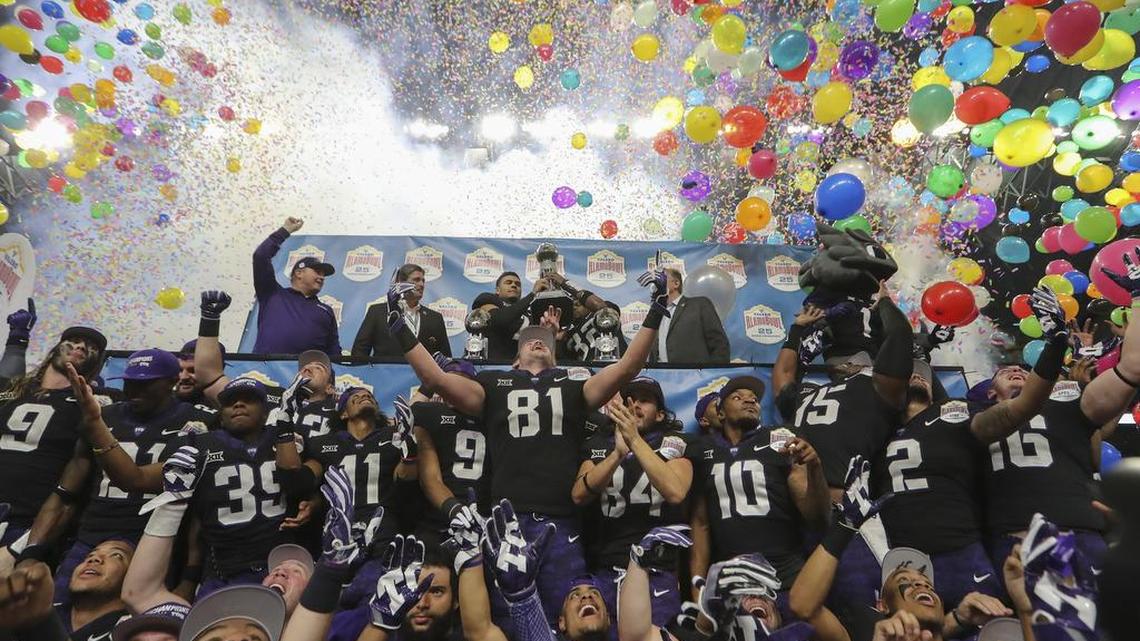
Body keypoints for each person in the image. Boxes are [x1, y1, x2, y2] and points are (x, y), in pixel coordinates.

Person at [393, 261, 670, 622]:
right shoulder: (493, 385)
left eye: (543, 341)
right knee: (508, 619)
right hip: (508, 520)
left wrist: (657, 307)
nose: (535, 341)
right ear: (515, 358)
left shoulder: (574, 386)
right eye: (527, 342)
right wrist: (396, 323)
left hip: (562, 522)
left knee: (566, 617)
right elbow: (436, 377)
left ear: (556, 354)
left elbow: (629, 366)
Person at [872, 288, 1076, 609]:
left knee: (991, 624)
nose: (917, 375)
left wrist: (1055, 346)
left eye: (924, 372)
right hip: (901, 561)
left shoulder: (958, 413)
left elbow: (1019, 407)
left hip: (961, 550)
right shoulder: (873, 430)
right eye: (908, 373)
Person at [980, 251, 1140, 574]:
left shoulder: (1067, 401)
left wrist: (1137, 299)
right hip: (1017, 542)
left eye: (1023, 369)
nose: (1016, 371)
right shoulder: (974, 419)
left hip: (1083, 534)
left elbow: (1133, 367)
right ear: (989, 393)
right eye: (1006, 370)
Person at [22, 349, 215, 603]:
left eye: (146, 384)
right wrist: (30, 554)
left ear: (171, 382)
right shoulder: (106, 415)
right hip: (92, 535)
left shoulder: (196, 422)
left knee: (132, 622)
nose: (135, 391)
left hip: (153, 542)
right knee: (56, 612)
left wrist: (189, 578)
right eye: (130, 383)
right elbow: (65, 494)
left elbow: (195, 510)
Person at [774, 289, 914, 607]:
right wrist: (886, 304)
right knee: (826, 609)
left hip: (850, 511)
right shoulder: (868, 386)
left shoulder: (862, 386)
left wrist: (797, 330)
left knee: (872, 605)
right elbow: (900, 343)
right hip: (810, 512)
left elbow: (783, 374)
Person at [689, 375, 830, 598]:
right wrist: (697, 586)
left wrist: (815, 468)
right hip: (732, 577)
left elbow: (816, 516)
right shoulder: (702, 451)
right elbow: (701, 524)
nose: (749, 401)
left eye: (754, 399)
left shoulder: (782, 441)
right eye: (737, 397)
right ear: (721, 413)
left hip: (785, 574)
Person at [573, 376, 692, 628]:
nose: (635, 405)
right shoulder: (597, 446)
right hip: (607, 567)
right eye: (630, 399)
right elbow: (579, 495)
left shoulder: (674, 443)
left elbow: (676, 491)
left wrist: (634, 441)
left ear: (660, 415)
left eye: (645, 401)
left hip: (656, 570)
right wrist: (617, 453)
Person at [0, 325, 110, 572]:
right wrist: (17, 341)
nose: (81, 347)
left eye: (91, 347)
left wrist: (25, 546)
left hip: (30, 520)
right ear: (55, 349)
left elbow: (77, 481)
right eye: (74, 340)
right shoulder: (13, 391)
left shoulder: (93, 402)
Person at [412, 358, 489, 547]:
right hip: (441, 513)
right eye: (449, 383)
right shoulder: (430, 413)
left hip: (486, 515)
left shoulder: (493, 416)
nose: (454, 390)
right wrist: (454, 509)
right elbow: (430, 478)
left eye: (460, 383)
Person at [251, 216, 340, 356]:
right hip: (265, 371)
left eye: (323, 275)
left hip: (307, 375)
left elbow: (334, 352)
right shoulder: (272, 294)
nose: (321, 277)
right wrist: (285, 230)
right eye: (317, 271)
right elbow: (261, 256)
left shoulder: (326, 311)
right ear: (299, 273)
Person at [354, 264, 451, 360]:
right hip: (385, 374)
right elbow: (359, 352)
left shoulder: (435, 318)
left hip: (423, 375)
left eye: (423, 281)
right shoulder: (377, 312)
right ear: (401, 283)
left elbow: (446, 358)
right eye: (416, 280)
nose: (422, 284)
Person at [649, 268, 729, 364]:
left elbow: (720, 345)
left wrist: (713, 375)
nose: (656, 282)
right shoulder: (655, 313)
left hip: (695, 377)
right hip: (660, 375)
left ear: (676, 283)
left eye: (662, 278)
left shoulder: (699, 305)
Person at [472, 271, 536, 362]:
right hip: (494, 365)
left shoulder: (529, 312)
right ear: (498, 290)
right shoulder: (487, 299)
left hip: (525, 366)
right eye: (508, 282)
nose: (514, 285)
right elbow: (499, 320)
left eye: (517, 284)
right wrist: (532, 294)